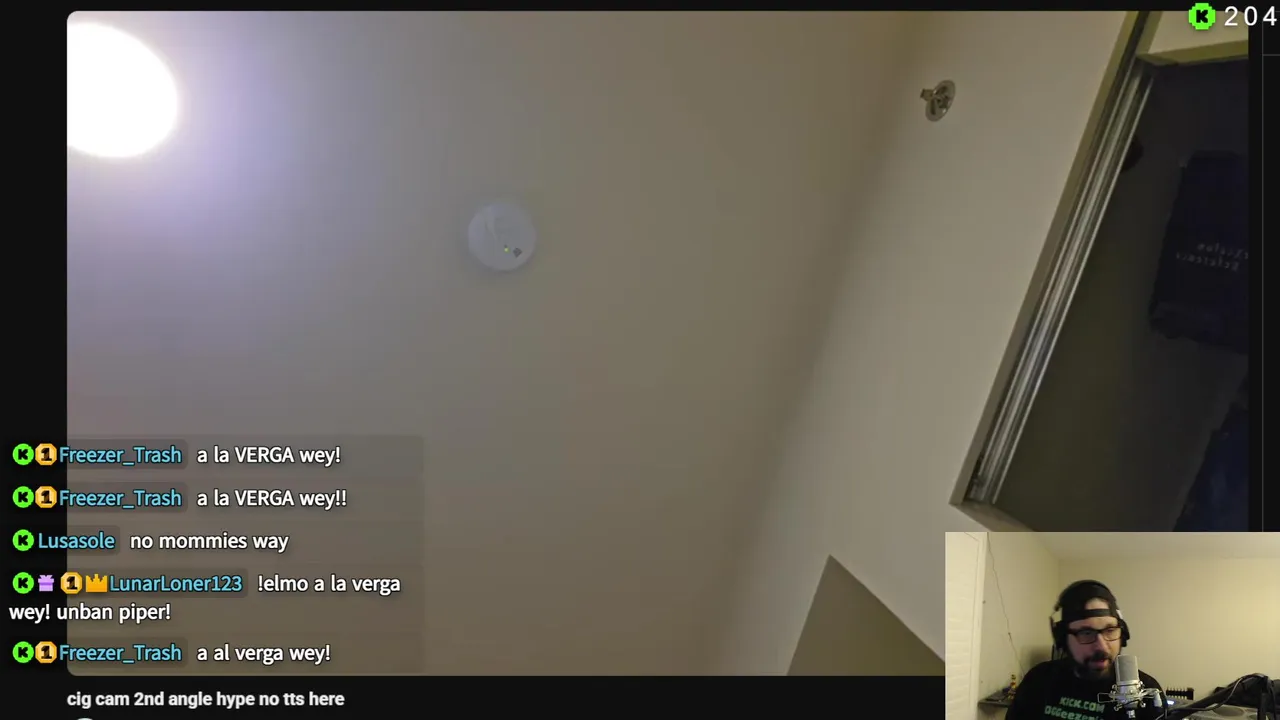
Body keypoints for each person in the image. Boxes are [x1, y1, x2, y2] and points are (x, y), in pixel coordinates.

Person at [1008, 580, 1164, 720]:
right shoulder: (1039, 680)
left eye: (1110, 630)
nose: (1102, 646)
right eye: (1086, 633)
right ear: (1063, 639)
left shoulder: (1147, 693)